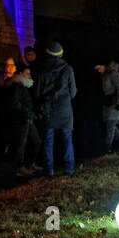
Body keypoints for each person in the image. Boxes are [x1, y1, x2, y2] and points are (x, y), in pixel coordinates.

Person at [34, 42, 77, 176]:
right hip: (65, 109)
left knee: (48, 140)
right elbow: (73, 91)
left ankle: (49, 170)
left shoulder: (42, 70)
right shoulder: (67, 69)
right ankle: (69, 169)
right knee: (67, 139)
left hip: (49, 109)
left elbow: (37, 93)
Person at [7, 65, 42, 177]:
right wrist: (28, 112)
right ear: (21, 73)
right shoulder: (18, 86)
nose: (29, 76)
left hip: (27, 118)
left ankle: (30, 164)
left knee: (36, 141)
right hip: (22, 119)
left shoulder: (23, 86)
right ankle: (20, 168)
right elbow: (15, 103)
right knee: (21, 144)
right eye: (27, 73)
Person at [98, 60, 119, 154]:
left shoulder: (112, 74)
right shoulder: (108, 74)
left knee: (110, 125)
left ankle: (108, 148)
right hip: (110, 102)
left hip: (112, 103)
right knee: (111, 125)